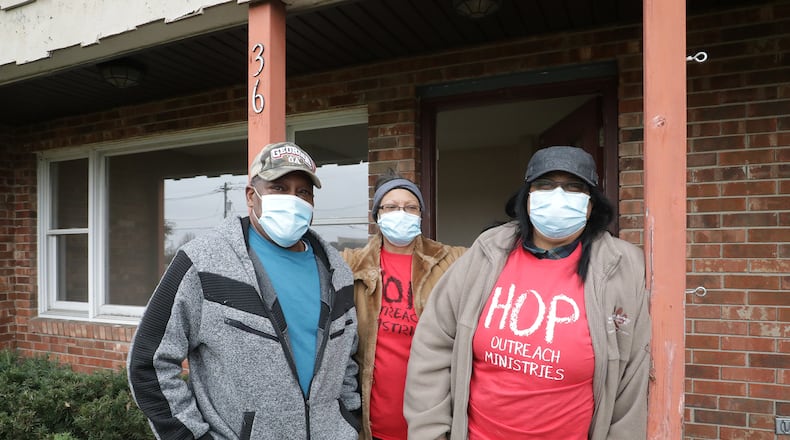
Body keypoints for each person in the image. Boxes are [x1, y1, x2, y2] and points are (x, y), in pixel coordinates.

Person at [404, 146, 652, 440]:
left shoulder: (622, 267)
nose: (558, 196)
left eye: (573, 188)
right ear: (528, 198)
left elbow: (632, 383)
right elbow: (433, 345)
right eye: (545, 185)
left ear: (590, 206)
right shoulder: (486, 253)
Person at [127, 142, 361, 440]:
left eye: (303, 192)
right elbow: (148, 362)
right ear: (252, 195)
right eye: (279, 187)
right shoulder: (203, 261)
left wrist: (348, 421)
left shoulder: (337, 271)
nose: (293, 199)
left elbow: (347, 361)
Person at [341, 172, 465, 440]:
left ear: (421, 214)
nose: (402, 213)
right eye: (391, 207)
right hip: (374, 422)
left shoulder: (451, 261)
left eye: (411, 207)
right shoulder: (352, 265)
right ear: (377, 216)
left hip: (433, 421)